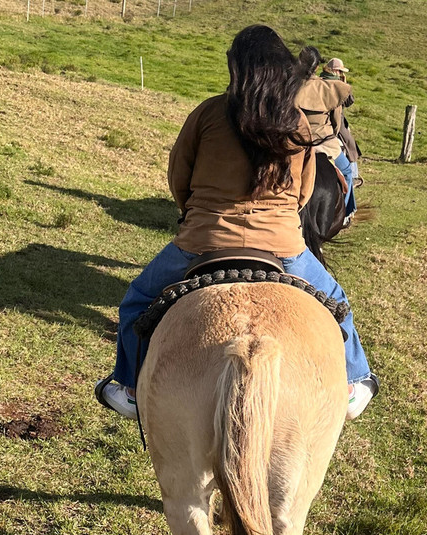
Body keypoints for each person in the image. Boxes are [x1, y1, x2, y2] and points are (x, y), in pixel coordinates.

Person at [95, 25, 378, 422]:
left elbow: (179, 177)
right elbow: (304, 192)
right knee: (337, 302)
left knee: (137, 301)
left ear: (236, 68)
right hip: (282, 244)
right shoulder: (296, 121)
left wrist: (195, 214)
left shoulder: (208, 112)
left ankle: (128, 389)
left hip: (203, 237)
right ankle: (355, 382)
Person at [295, 50, 357, 222]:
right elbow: (336, 123)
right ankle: (344, 215)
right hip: (324, 143)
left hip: (295, 143)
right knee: (347, 171)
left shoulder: (289, 86)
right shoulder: (328, 88)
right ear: (317, 67)